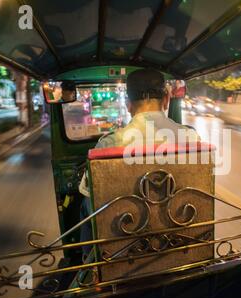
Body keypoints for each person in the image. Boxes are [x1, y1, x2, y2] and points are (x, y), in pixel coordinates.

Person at [78, 68, 199, 258]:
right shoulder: (191, 137)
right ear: (166, 99)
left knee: (86, 203)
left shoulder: (109, 143)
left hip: (126, 240)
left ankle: (90, 265)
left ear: (128, 104)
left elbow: (92, 199)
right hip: (180, 234)